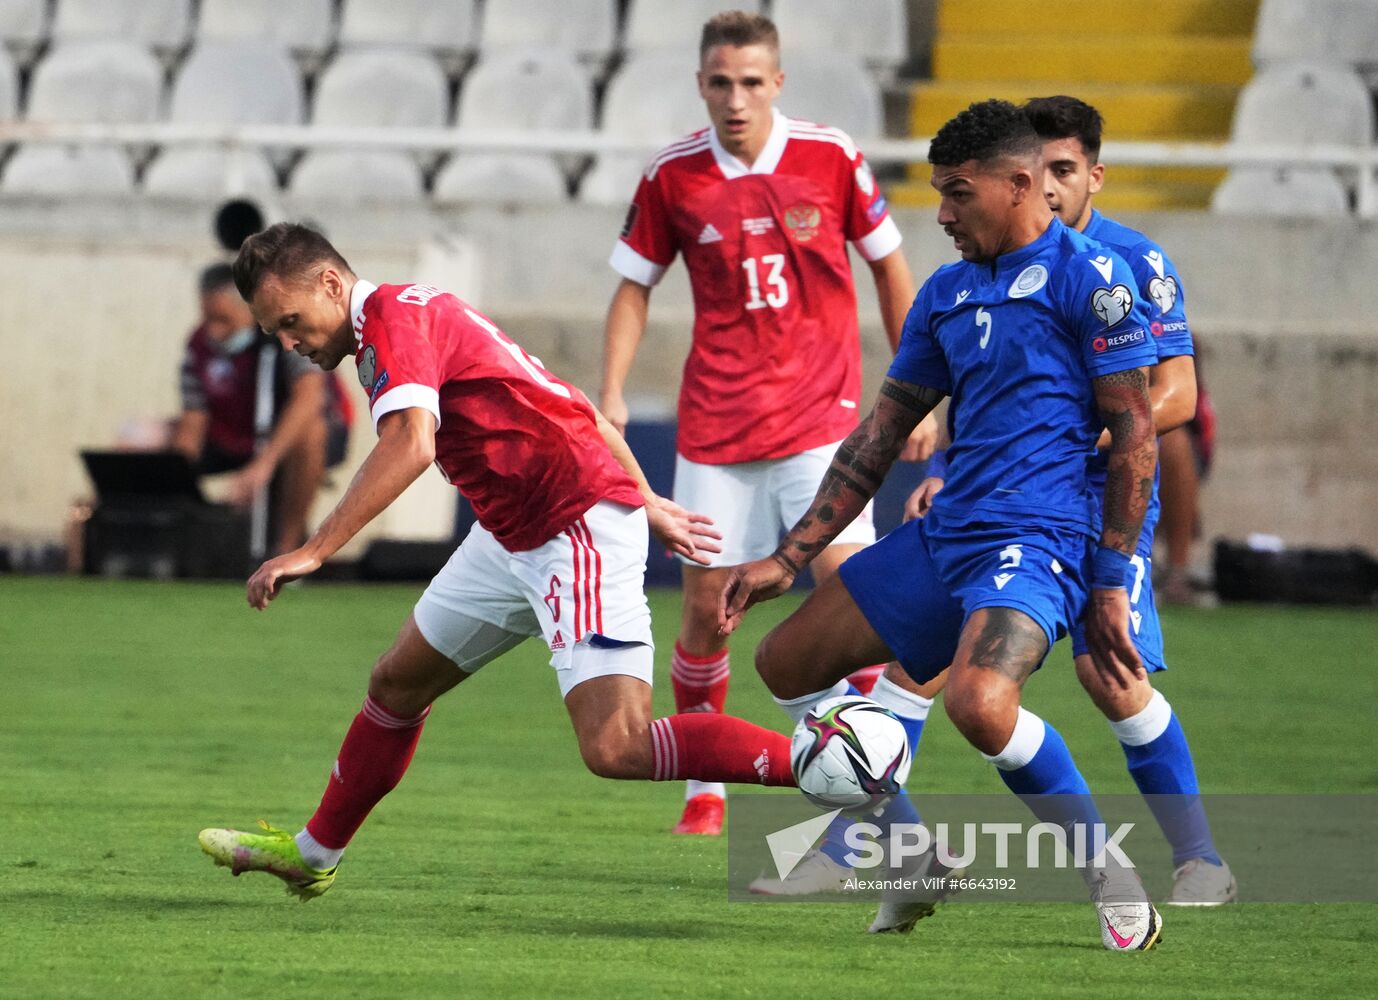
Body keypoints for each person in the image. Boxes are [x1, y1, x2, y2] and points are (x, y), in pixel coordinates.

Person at [197, 224, 799, 901]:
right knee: (397, 683)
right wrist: (647, 497)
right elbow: (564, 397)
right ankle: (314, 854)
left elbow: (414, 443)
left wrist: (312, 549)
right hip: (511, 534)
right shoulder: (401, 322)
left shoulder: (396, 317)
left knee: (617, 745)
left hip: (573, 524)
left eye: (291, 322)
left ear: (332, 285)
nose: (288, 342)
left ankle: (821, 757)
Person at [720, 100, 1164, 950]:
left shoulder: (1094, 281)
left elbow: (1136, 437)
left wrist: (1112, 582)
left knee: (977, 701)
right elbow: (879, 436)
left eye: (959, 193)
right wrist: (788, 559)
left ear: (1020, 183)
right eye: (940, 193)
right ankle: (912, 852)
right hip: (948, 533)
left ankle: (1108, 869)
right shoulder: (948, 292)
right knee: (783, 663)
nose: (944, 213)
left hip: (1042, 540)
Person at [889, 97, 1235, 907]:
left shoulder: (1128, 263)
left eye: (1065, 171)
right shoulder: (986, 267)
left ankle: (1199, 858)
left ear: (1091, 176)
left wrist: (1102, 439)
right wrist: (958, 468)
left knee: (1107, 674)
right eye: (1038, 171)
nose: (1049, 187)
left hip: (1099, 499)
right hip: (1008, 503)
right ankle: (892, 844)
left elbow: (1173, 392)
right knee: (915, 667)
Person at [599, 10, 921, 835]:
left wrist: (920, 387)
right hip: (716, 426)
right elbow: (634, 285)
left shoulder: (831, 156)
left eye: (750, 82)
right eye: (719, 82)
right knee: (708, 609)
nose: (735, 98)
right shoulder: (673, 175)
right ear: (701, 85)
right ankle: (704, 791)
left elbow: (890, 266)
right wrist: (611, 390)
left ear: (777, 82)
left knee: (851, 599)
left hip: (822, 420)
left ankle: (862, 785)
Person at [171, 263, 349, 556]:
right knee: (146, 435)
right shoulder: (199, 344)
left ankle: (289, 550)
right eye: (208, 319)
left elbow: (309, 398)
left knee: (312, 432)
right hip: (231, 435)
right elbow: (193, 417)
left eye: (223, 320)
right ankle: (177, 543)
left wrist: (264, 464)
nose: (214, 330)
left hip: (285, 438)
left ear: (250, 311)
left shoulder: (286, 334)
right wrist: (180, 478)